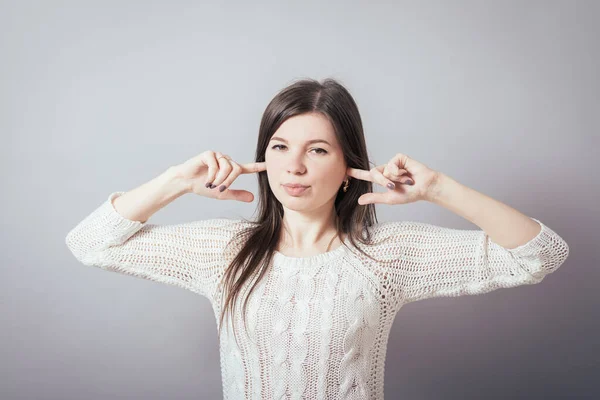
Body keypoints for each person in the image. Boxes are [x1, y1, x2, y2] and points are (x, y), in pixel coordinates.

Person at [65, 77, 570, 399]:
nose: (295, 166)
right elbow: (89, 243)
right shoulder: (226, 252)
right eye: (280, 146)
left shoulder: (383, 258)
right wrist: (176, 179)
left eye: (318, 150)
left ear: (349, 166)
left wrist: (438, 188)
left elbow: (539, 254)